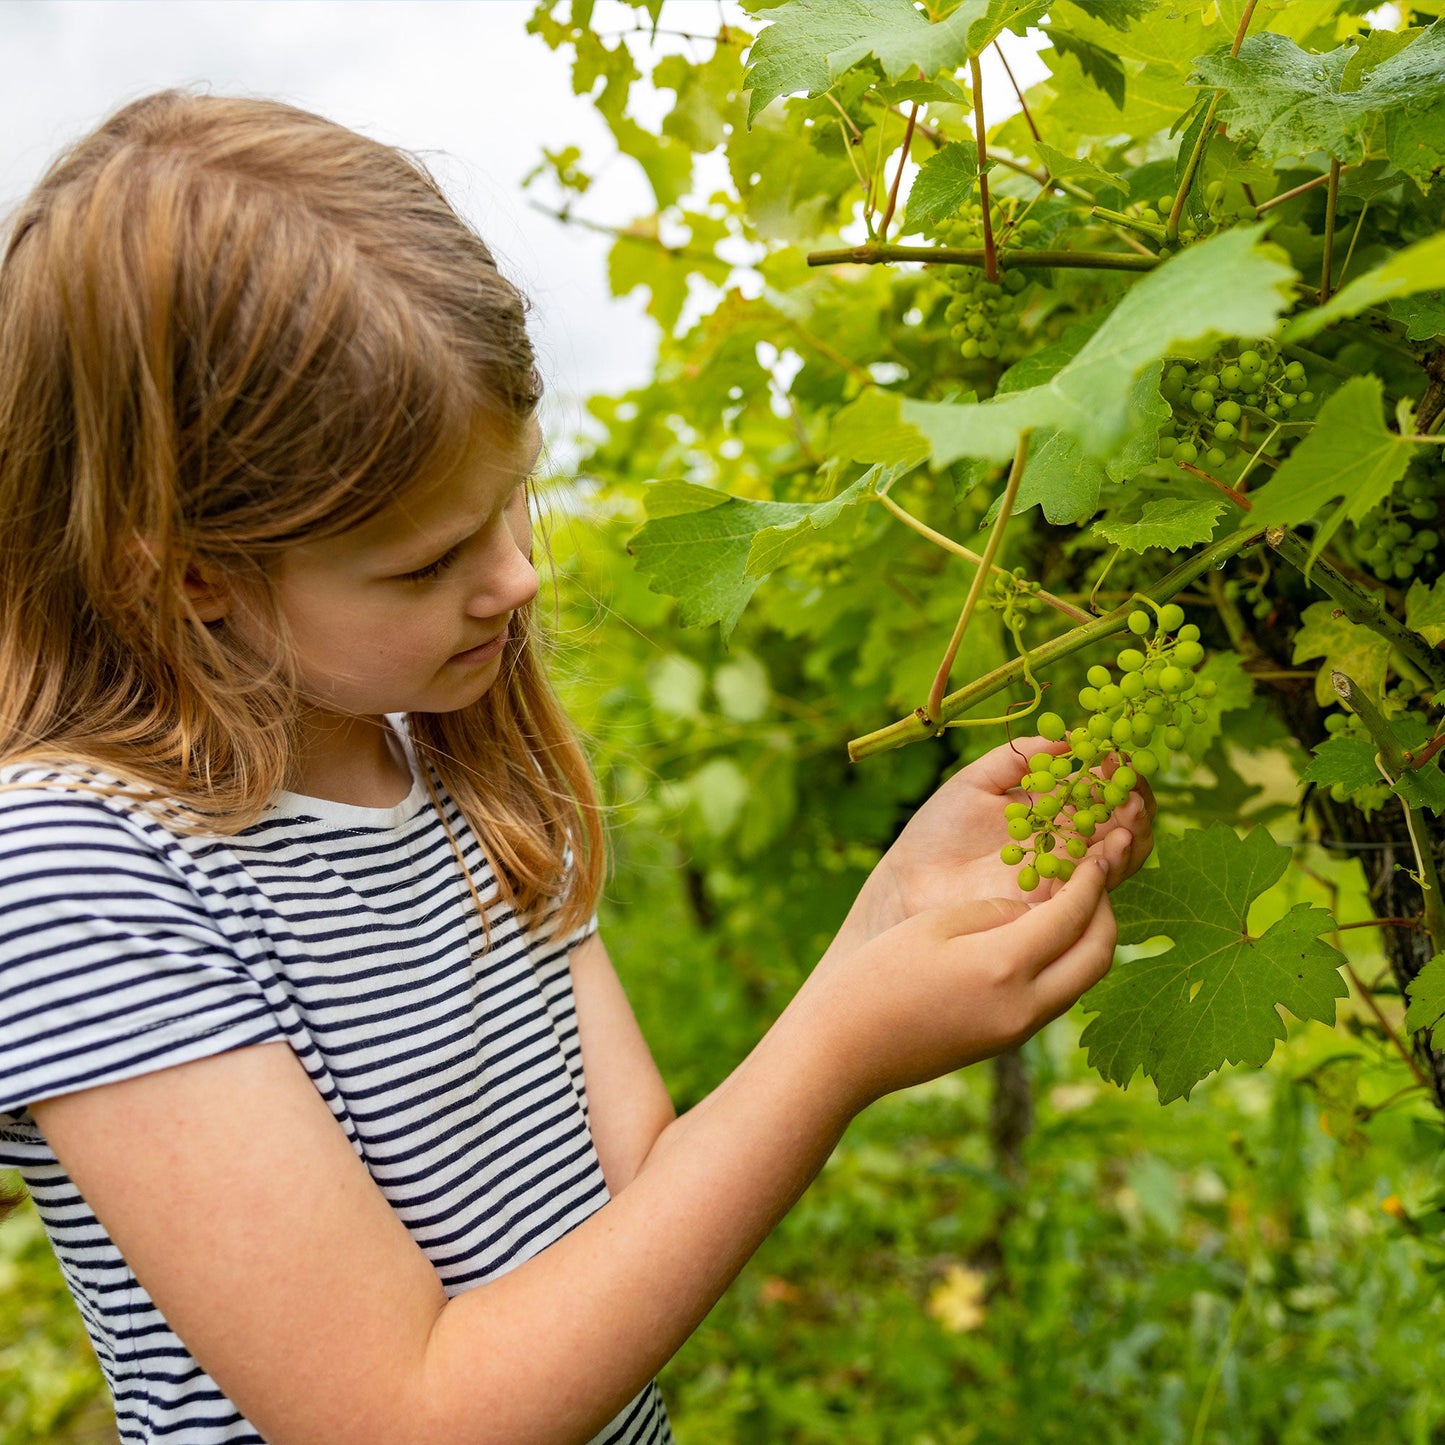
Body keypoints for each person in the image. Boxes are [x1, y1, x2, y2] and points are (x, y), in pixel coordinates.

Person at [0, 91, 1152, 1445]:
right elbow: (408, 1416)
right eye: (428, 562)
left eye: (510, 499)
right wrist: (841, 1047)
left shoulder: (447, 763)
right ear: (186, 571)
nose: (517, 576)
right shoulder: (79, 875)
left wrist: (880, 930)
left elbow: (635, 1198)